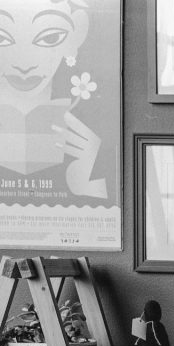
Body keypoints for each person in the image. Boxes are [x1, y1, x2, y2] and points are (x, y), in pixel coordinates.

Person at [0, 0, 107, 198]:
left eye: (50, 38)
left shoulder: (83, 125)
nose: (24, 64)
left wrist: (87, 174)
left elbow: (107, 211)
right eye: (3, 39)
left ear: (77, 34)